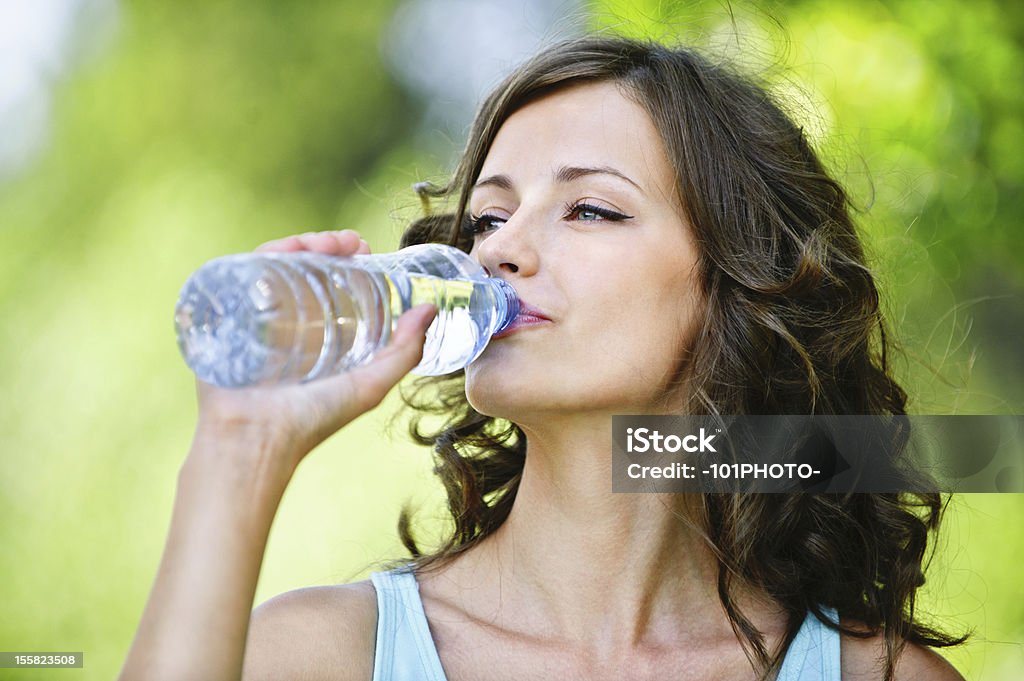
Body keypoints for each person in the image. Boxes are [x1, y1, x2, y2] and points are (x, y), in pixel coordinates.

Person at [120, 36, 966, 681]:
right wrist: (238, 451)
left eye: (590, 209)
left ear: (741, 283)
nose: (500, 251)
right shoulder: (321, 653)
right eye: (489, 218)